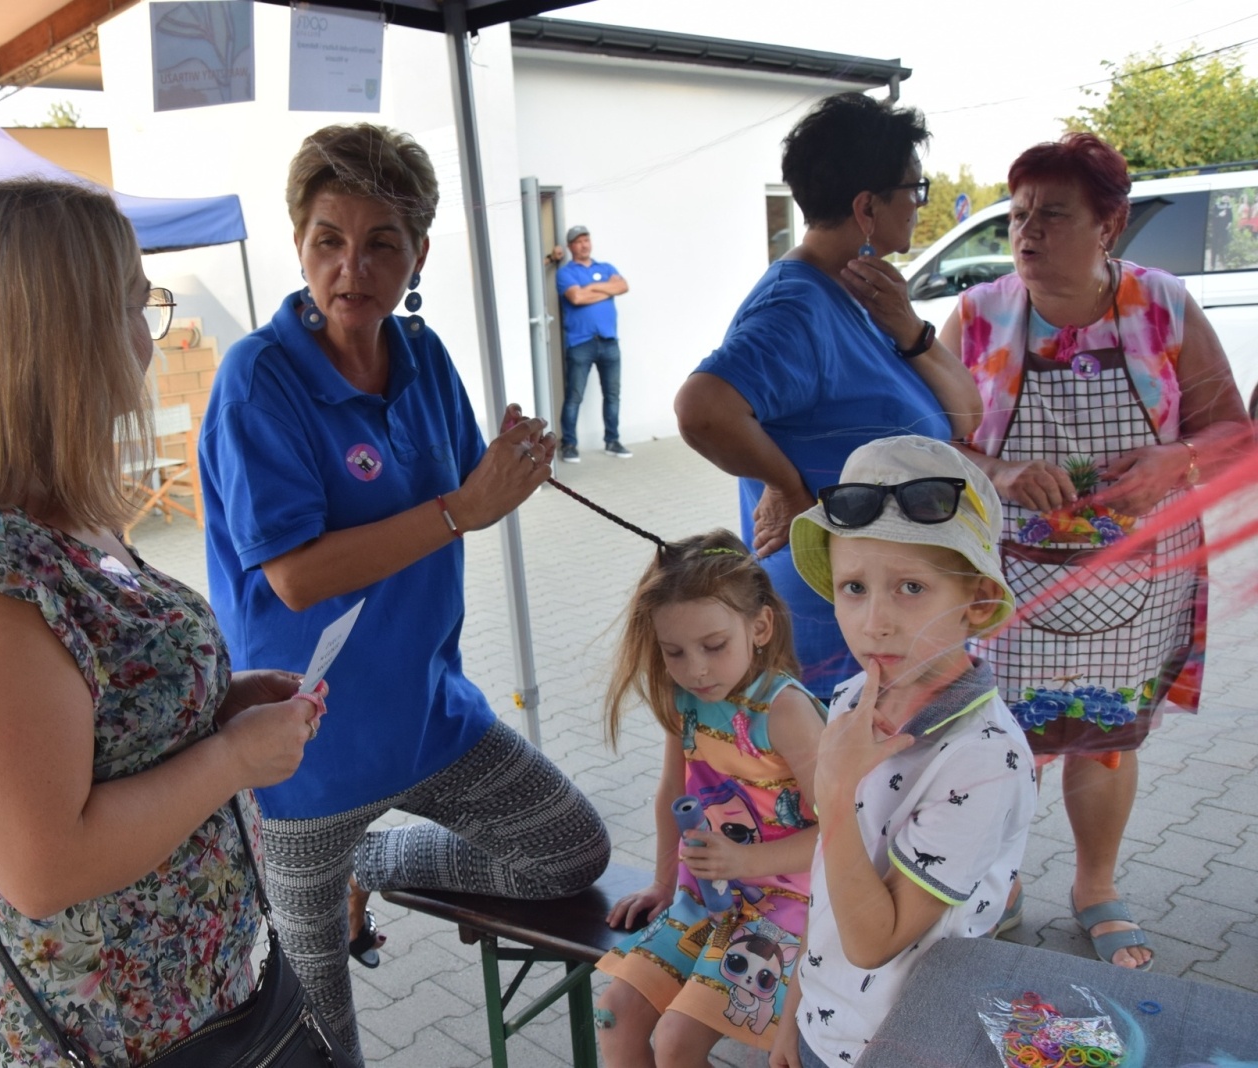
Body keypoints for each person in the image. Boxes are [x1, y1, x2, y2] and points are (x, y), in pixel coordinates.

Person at [0, 179, 324, 1067]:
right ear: (53, 336)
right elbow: (45, 865)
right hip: (116, 1042)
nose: (147, 333)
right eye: (128, 302)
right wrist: (231, 758)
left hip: (207, 1008)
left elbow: (96, 726)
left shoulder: (56, 512)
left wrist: (213, 707)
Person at [198, 122, 611, 1067]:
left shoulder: (423, 355)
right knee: (322, 1040)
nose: (354, 266)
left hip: (429, 716)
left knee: (569, 854)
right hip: (300, 756)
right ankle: (333, 865)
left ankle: (373, 865)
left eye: (383, 240)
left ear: (419, 252)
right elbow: (297, 575)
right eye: (329, 240)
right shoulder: (257, 379)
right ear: (299, 246)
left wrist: (510, 468)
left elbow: (466, 489)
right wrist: (466, 508)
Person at [944, 132, 1250, 970]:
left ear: (1109, 224)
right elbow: (932, 440)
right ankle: (999, 882)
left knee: (1105, 737)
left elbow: (1228, 427)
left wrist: (1173, 459)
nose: (1028, 233)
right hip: (1011, 578)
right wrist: (1001, 469)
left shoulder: (1164, 307)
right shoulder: (975, 316)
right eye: (1017, 215)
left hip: (1137, 576)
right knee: (1006, 739)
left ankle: (1095, 886)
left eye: (1053, 214)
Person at [674, 92, 984, 702]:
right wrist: (788, 487)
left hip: (887, 621)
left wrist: (910, 328)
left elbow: (964, 416)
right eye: (914, 190)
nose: (920, 205)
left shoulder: (865, 295)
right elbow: (702, 409)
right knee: (845, 791)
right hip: (835, 632)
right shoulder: (796, 308)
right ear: (867, 206)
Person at [771, 435, 1036, 1068]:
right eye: (854, 587)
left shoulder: (982, 759)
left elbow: (873, 941)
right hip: (825, 1027)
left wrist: (833, 792)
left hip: (912, 1045)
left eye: (911, 588)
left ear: (975, 603)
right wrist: (795, 1012)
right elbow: (831, 880)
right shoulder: (855, 698)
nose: (875, 622)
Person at [595, 530, 825, 1065]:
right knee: (614, 1013)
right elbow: (671, 793)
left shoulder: (784, 711)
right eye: (673, 651)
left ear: (760, 626)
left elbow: (843, 831)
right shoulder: (686, 701)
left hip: (792, 909)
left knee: (676, 1039)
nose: (695, 668)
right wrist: (661, 880)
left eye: (714, 647)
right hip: (708, 897)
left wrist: (747, 859)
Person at [557, 223, 632, 461]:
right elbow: (576, 297)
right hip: (581, 344)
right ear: (570, 246)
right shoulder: (565, 273)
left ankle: (613, 441)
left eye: (586, 239)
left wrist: (592, 287)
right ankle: (569, 445)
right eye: (578, 241)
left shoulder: (606, 267)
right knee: (574, 396)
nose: (584, 244)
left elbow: (623, 286)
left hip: (609, 341)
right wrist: (607, 289)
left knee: (612, 395)